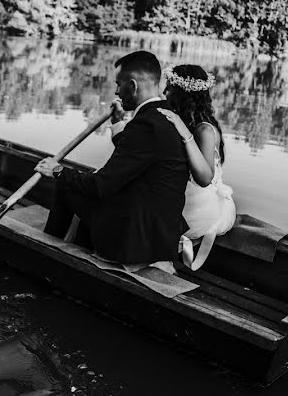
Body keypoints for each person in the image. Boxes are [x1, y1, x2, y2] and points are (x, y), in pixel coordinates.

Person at [34, 50, 189, 268]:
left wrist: (57, 171)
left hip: (139, 234)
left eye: (119, 84)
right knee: (82, 182)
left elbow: (100, 186)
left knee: (67, 186)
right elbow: (135, 155)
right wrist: (118, 122)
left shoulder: (145, 125)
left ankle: (46, 253)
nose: (116, 91)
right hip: (160, 228)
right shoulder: (166, 115)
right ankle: (81, 245)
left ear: (133, 86)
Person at [156, 64, 236, 270]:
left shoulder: (204, 130)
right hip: (188, 202)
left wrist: (185, 135)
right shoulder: (181, 121)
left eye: (169, 88)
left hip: (201, 211)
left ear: (183, 95)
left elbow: (204, 178)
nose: (165, 92)